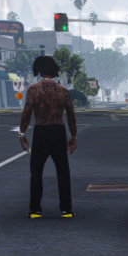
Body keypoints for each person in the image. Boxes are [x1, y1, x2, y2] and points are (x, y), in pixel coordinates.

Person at [17, 55, 78, 218]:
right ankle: (66, 210)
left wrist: (22, 133)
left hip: (41, 131)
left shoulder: (33, 89)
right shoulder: (63, 91)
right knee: (63, 171)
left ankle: (35, 210)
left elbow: (27, 112)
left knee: (36, 171)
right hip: (58, 131)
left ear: (39, 70)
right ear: (54, 71)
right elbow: (71, 115)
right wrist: (73, 137)